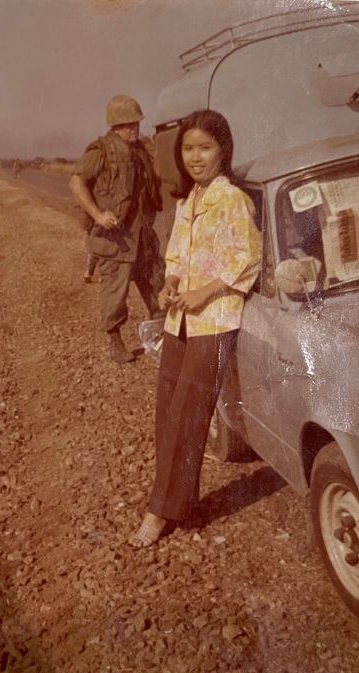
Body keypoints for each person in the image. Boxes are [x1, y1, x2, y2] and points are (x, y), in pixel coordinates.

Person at [129, 109, 262, 547]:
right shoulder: (189, 202)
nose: (196, 157)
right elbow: (176, 259)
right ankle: (178, 505)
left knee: (189, 416)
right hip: (179, 321)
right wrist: (170, 286)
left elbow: (248, 259)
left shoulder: (232, 201)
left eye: (205, 148)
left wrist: (205, 292)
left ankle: (160, 511)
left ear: (223, 149)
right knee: (168, 412)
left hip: (214, 323)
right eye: (188, 149)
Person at [69, 95, 164, 364]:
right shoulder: (100, 151)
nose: (133, 128)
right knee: (115, 292)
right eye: (126, 124)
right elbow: (76, 182)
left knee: (157, 283)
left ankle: (160, 336)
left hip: (142, 236)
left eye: (135, 123)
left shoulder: (141, 151)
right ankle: (115, 342)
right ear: (114, 126)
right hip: (115, 239)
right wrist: (98, 215)